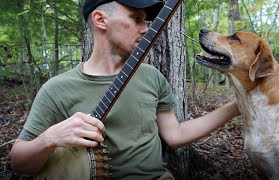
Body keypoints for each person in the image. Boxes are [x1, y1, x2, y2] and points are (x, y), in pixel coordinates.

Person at [10, 0, 240, 179]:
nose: (145, 28)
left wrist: (235, 107)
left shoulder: (152, 77)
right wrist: (51, 138)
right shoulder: (56, 89)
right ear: (100, 20)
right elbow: (19, 162)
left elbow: (175, 135)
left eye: (146, 21)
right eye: (136, 18)